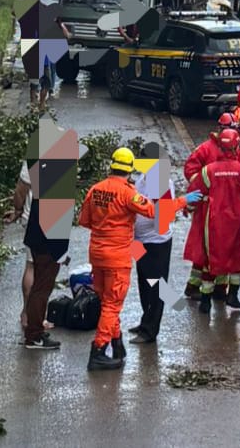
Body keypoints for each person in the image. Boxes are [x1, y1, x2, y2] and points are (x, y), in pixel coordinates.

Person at [78, 148, 157, 371]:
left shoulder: (95, 189)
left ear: (111, 166)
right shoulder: (127, 193)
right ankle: (99, 350)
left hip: (97, 254)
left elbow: (84, 221)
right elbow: (151, 211)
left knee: (106, 303)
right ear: (130, 170)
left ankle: (116, 343)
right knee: (113, 304)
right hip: (117, 258)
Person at [185, 129, 240, 313]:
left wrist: (188, 207)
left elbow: (195, 189)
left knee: (211, 259)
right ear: (236, 146)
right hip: (239, 222)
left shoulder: (209, 171)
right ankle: (232, 295)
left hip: (214, 221)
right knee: (236, 258)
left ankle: (205, 301)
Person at [183, 113, 240, 300]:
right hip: (208, 208)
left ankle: (219, 287)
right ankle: (195, 287)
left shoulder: (236, 149)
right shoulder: (205, 149)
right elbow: (191, 170)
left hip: (227, 208)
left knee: (225, 249)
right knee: (206, 250)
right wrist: (203, 190)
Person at [7, 159, 69, 350]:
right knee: (42, 288)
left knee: (34, 277)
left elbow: (21, 190)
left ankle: (31, 325)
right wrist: (61, 253)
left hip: (35, 235)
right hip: (46, 243)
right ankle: (34, 335)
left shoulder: (40, 195)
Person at [130, 147, 175, 345]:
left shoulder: (162, 183)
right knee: (143, 281)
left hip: (156, 243)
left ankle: (150, 330)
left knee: (156, 285)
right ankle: (144, 320)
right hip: (138, 240)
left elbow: (163, 218)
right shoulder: (142, 178)